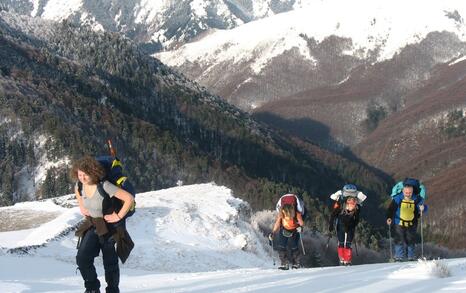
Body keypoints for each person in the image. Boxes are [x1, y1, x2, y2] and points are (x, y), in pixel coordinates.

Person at [71, 156, 135, 293]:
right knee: (82, 258)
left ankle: (112, 290)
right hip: (92, 225)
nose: (81, 177)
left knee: (110, 264)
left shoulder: (104, 185)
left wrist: (118, 216)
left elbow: (129, 198)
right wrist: (82, 206)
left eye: (84, 175)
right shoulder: (80, 184)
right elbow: (77, 190)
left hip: (109, 228)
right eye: (79, 174)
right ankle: (92, 288)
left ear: (92, 172)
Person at [386, 181, 425, 261]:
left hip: (412, 223)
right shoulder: (398, 198)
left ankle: (410, 256)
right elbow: (391, 208)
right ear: (403, 191)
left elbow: (422, 207)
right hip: (398, 222)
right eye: (406, 192)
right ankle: (399, 256)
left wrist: (423, 209)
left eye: (410, 192)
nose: (408, 194)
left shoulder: (416, 199)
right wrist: (389, 217)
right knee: (399, 239)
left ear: (412, 191)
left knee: (410, 239)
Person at [328, 184, 366, 265]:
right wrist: (354, 224)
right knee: (347, 243)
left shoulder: (341, 204)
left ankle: (342, 259)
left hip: (341, 223)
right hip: (350, 225)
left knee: (342, 242)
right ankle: (347, 260)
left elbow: (333, 214)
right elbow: (357, 218)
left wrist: (331, 224)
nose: (352, 203)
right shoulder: (356, 206)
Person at [269, 203, 304, 270]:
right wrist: (273, 232)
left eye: (286, 213)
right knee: (281, 246)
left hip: (294, 230)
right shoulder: (282, 213)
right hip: (284, 229)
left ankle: (296, 264)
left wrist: (301, 228)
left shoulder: (297, 213)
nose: (286, 215)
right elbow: (277, 223)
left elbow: (301, 222)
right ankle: (284, 264)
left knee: (294, 247)